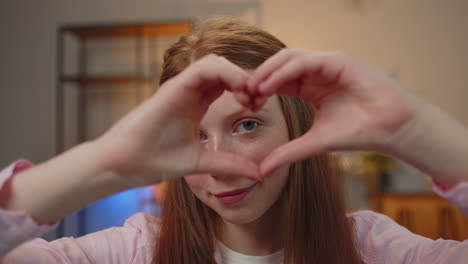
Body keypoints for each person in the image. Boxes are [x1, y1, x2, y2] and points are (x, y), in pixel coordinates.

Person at [0, 17, 467, 264]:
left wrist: (413, 129)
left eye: (246, 125)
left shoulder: (376, 250)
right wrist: (105, 162)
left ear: (296, 123)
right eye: (195, 135)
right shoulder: (132, 252)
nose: (219, 165)